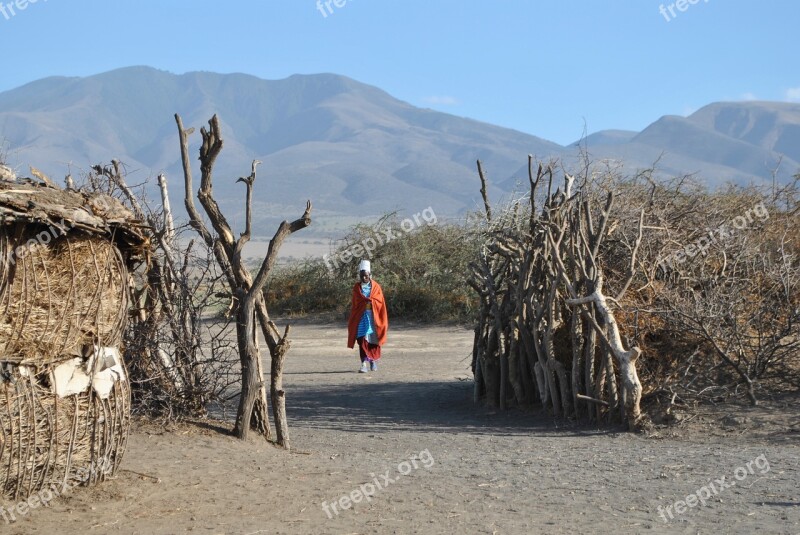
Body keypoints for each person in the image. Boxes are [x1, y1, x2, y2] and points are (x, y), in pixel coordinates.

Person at [347, 259, 388, 373]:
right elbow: (356, 304)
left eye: (366, 275)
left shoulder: (376, 287)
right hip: (361, 317)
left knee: (373, 340)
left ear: (370, 275)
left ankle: (372, 361)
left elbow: (379, 301)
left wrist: (371, 302)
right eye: (362, 276)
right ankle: (363, 364)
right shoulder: (357, 288)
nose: (364, 278)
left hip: (373, 317)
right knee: (362, 340)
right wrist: (364, 303)